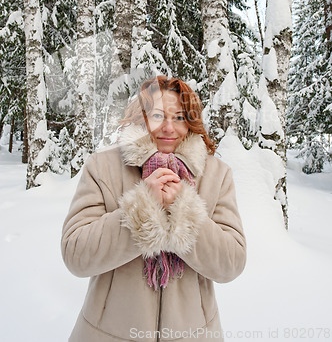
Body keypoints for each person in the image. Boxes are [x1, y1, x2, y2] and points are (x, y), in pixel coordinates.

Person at [61, 76, 246, 342]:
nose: (168, 128)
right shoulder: (102, 168)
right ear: (142, 118)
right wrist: (142, 208)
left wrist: (185, 210)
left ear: (191, 122)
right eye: (158, 115)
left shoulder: (216, 174)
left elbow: (232, 263)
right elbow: (75, 254)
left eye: (180, 117)